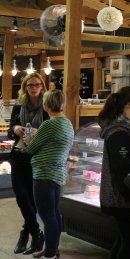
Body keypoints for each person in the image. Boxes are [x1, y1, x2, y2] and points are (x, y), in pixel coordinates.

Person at [98, 86, 130, 259]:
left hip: (128, 198)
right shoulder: (119, 132)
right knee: (129, 245)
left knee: (124, 242)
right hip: (123, 200)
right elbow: (121, 171)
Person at [27, 90, 74, 259]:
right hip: (57, 174)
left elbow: (31, 149)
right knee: (54, 214)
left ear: (46, 105)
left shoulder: (49, 124)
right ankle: (52, 249)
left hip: (44, 174)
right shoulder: (67, 122)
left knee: (48, 217)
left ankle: (49, 255)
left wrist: (30, 137)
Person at [7, 73, 47, 254]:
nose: (34, 88)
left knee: (31, 197)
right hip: (18, 154)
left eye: (37, 84)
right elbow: (10, 131)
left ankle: (26, 233)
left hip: (37, 156)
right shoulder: (19, 106)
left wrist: (40, 132)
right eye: (30, 85)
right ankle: (35, 233)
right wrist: (15, 128)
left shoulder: (47, 106)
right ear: (25, 87)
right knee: (21, 196)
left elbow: (51, 132)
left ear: (42, 86)